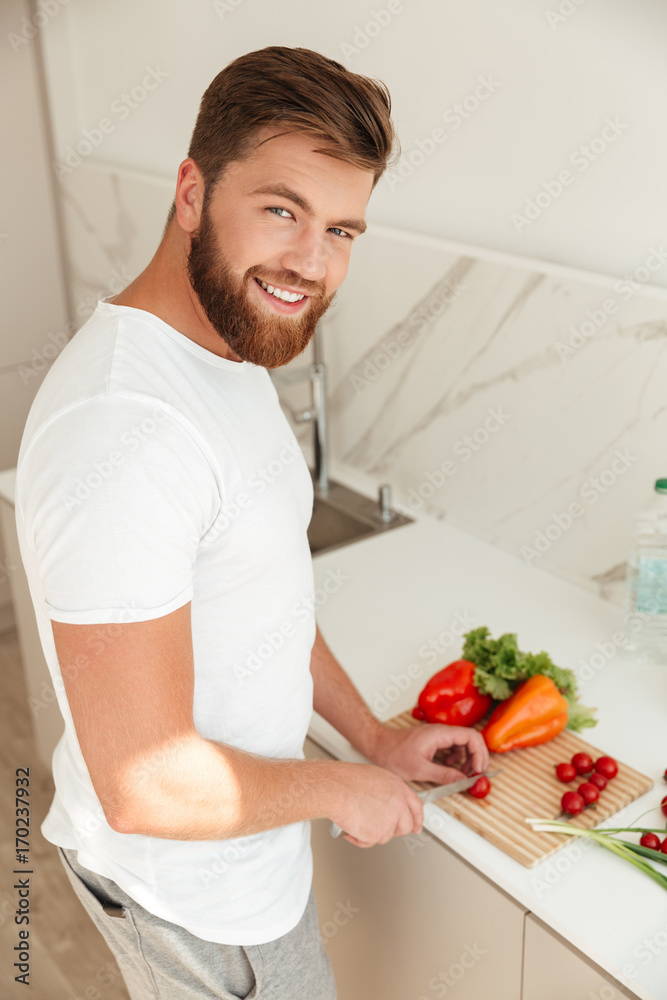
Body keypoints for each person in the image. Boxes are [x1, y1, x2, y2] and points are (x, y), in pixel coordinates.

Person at [15, 46, 488, 1000]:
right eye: (281, 210)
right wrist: (337, 788)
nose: (312, 263)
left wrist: (371, 740)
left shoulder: (227, 352)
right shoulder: (128, 430)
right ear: (192, 190)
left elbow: (263, 592)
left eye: (342, 229)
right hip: (190, 907)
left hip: (243, 864)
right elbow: (142, 784)